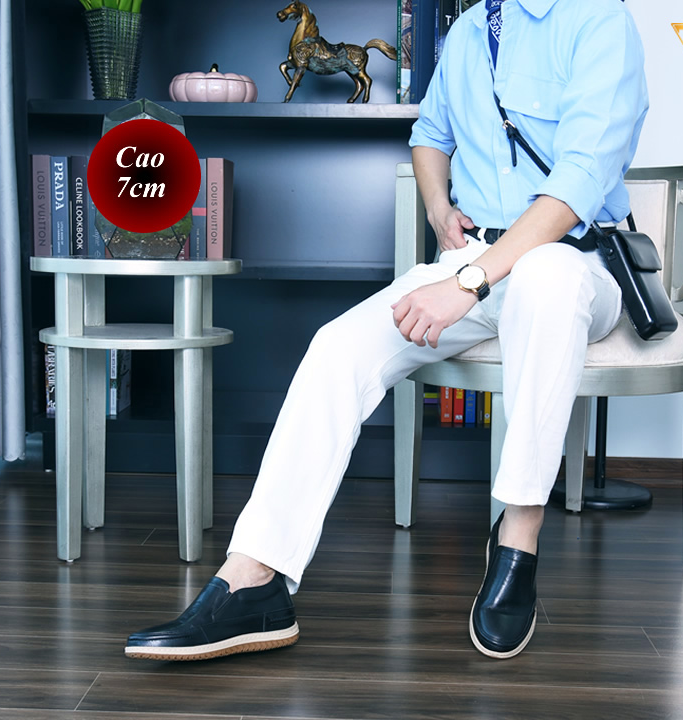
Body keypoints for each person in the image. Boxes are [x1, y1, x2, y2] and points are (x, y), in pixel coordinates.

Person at [125, 0, 648, 662]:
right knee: (339, 347)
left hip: (573, 264)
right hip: (471, 260)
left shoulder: (598, 20)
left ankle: (518, 534)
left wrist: (467, 283)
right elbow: (430, 132)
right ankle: (255, 579)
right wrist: (439, 208)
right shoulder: (469, 31)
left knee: (545, 277)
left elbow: (579, 181)